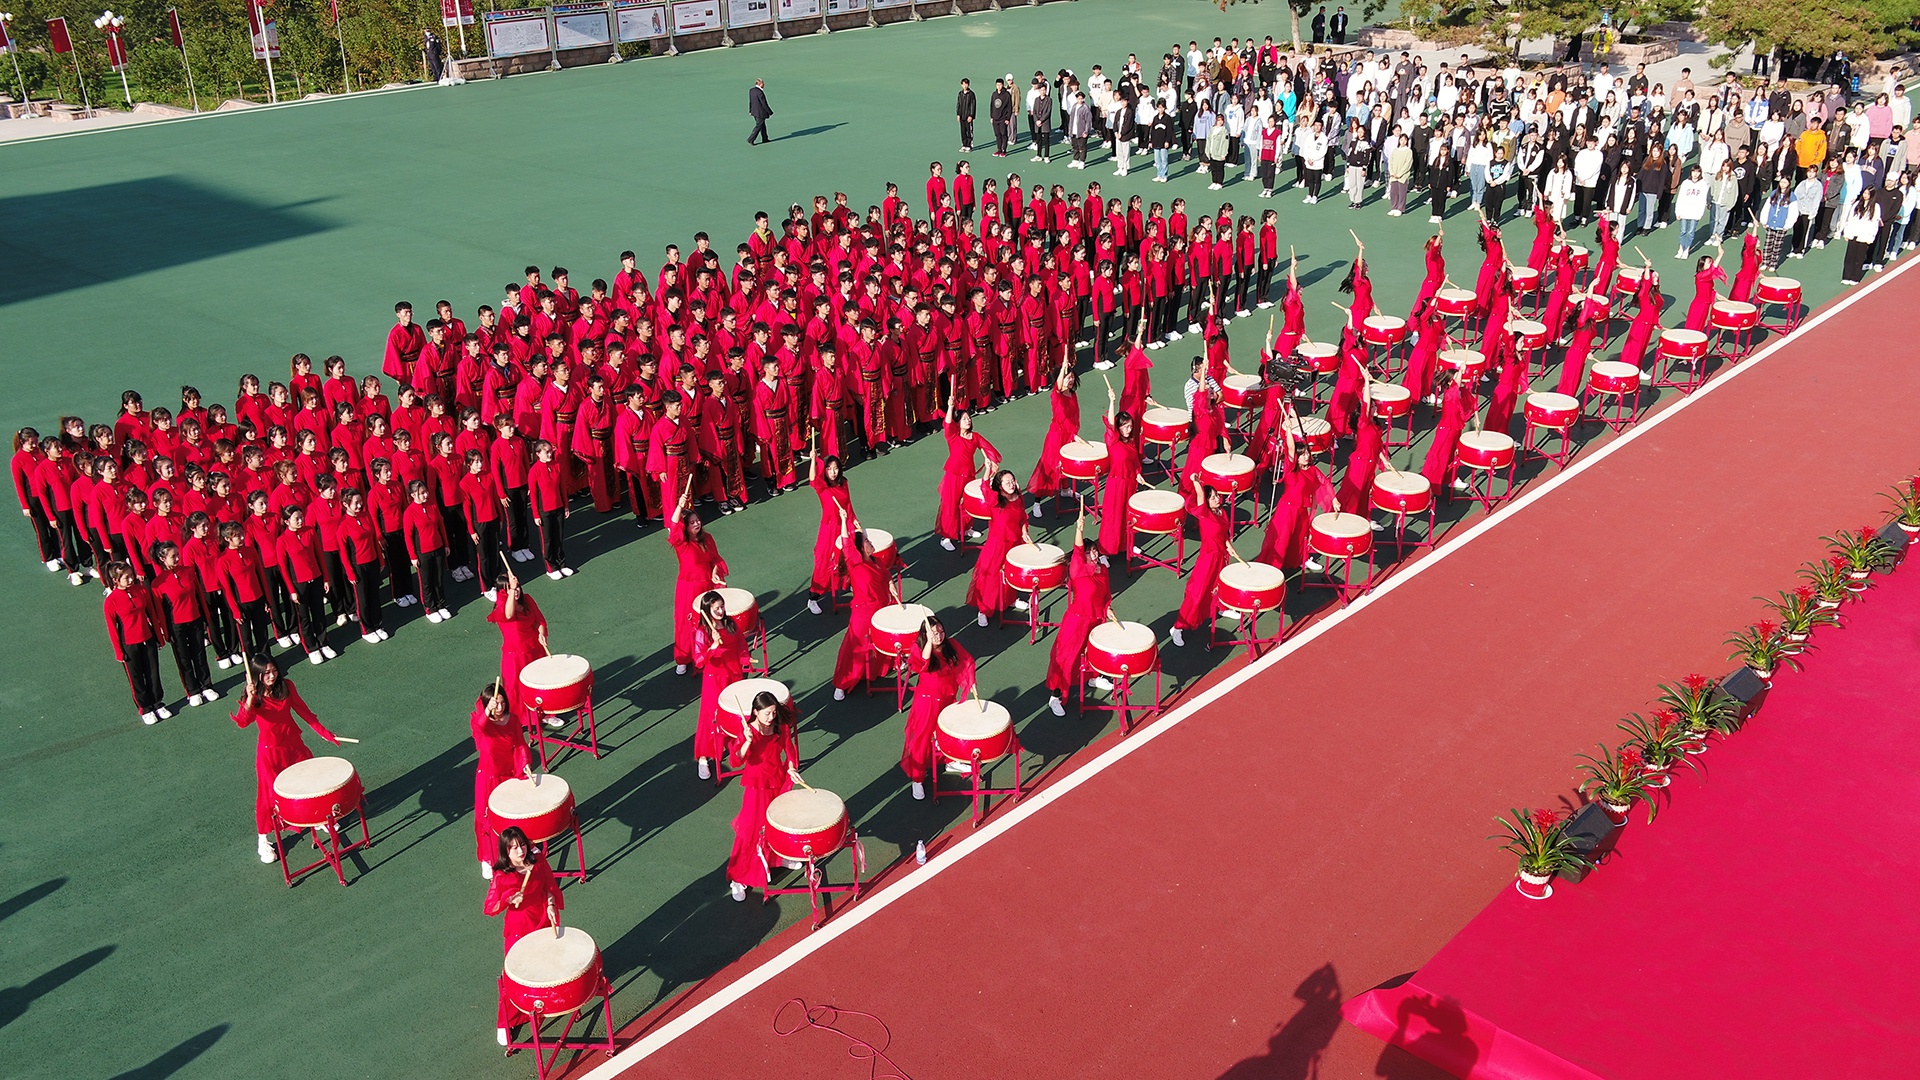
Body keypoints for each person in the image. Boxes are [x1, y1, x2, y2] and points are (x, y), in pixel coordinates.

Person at [233, 656, 339, 863]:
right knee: (268, 796)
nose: (272, 676)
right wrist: (249, 700)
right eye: (266, 673)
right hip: (270, 753)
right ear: (257, 676)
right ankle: (263, 839)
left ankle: (316, 818)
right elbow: (243, 722)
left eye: (274, 670)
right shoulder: (253, 696)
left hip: (293, 745)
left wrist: (325, 733)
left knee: (309, 781)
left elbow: (304, 712)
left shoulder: (287, 686)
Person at [483, 825, 563, 1046]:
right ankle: (506, 1021)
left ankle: (544, 1005)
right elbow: (490, 907)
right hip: (519, 928)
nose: (520, 851)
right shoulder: (502, 875)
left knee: (546, 966)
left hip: (543, 919)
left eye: (522, 845)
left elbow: (548, 886)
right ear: (506, 852)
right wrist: (508, 899)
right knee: (516, 976)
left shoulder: (538, 861)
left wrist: (550, 904)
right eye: (514, 848)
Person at [725, 690, 802, 902]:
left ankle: (777, 858)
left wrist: (791, 769)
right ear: (755, 712)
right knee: (751, 831)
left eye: (774, 712)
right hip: (756, 788)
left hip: (777, 782)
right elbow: (735, 761)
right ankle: (738, 878)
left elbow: (790, 752)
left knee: (776, 824)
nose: (771, 717)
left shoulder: (780, 727)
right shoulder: (747, 732)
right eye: (767, 713)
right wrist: (747, 742)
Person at [1045, 511, 1114, 716]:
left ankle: (1093, 677)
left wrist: (1108, 608)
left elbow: (1106, 595)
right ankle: (1056, 696)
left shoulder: (1103, 570)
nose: (1094, 554)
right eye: (1090, 552)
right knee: (1067, 657)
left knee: (1093, 651)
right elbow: (1077, 549)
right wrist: (1079, 529)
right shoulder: (1078, 569)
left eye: (1095, 551)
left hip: (1097, 619)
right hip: (1077, 620)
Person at [901, 615, 975, 801]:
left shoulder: (951, 645)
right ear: (925, 634)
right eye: (934, 633)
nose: (939, 636)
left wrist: (971, 681)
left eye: (941, 631)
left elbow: (967, 661)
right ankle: (917, 778)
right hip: (927, 703)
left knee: (948, 731)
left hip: (948, 699)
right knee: (922, 738)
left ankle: (951, 760)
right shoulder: (919, 649)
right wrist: (928, 641)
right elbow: (921, 664)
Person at [830, 510, 897, 701]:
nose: (870, 542)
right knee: (855, 647)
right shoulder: (855, 563)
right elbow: (846, 543)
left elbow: (886, 574)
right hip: (864, 612)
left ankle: (879, 668)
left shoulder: (876, 561)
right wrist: (844, 520)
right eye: (867, 541)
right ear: (860, 548)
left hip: (882, 607)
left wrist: (891, 584)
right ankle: (842, 683)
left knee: (882, 639)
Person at [469, 683, 530, 878]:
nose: (500, 707)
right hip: (488, 778)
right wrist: (488, 710)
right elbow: (481, 725)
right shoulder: (480, 722)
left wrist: (525, 763)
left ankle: (519, 849)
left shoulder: (513, 720)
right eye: (496, 704)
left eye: (503, 703)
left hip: (509, 774)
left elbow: (520, 744)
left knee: (513, 814)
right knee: (486, 818)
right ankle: (488, 858)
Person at [934, 385, 1001, 551]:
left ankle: (967, 528)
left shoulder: (975, 436)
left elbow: (986, 448)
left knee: (967, 502)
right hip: (954, 475)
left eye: (969, 418)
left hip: (969, 474)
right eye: (964, 419)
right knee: (950, 504)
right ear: (958, 423)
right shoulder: (953, 436)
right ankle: (946, 537)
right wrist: (950, 407)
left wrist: (991, 461)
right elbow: (947, 424)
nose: (968, 420)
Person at [666, 493, 727, 675]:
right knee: (685, 624)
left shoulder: (707, 538)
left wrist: (715, 572)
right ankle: (683, 658)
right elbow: (673, 525)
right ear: (685, 526)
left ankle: (708, 653)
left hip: (707, 586)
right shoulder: (681, 542)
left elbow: (715, 560)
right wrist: (680, 505)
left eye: (697, 520)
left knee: (709, 622)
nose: (696, 524)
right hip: (688, 588)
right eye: (692, 522)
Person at [691, 588, 749, 780]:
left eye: (722, 607)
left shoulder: (730, 623)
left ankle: (736, 749)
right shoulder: (702, 632)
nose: (721, 611)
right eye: (716, 608)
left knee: (735, 713)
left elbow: (741, 644)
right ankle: (704, 758)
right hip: (714, 679)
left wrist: (745, 658)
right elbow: (699, 661)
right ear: (707, 611)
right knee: (711, 717)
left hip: (734, 675)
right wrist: (713, 647)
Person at [1169, 474, 1231, 648]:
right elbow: (1200, 496)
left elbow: (1223, 534)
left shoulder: (1222, 512)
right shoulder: (1204, 514)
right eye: (1212, 497)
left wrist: (1228, 546)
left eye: (1217, 495)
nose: (1217, 499)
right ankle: (1177, 627)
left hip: (1221, 556)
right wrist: (1196, 482)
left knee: (1218, 586)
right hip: (1208, 558)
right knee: (1197, 593)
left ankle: (1222, 608)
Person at [104, 560, 169, 724]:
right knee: (137, 678)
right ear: (115, 580)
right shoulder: (111, 601)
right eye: (126, 577)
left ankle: (157, 703)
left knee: (153, 673)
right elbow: (112, 629)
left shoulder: (141, 590)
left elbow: (152, 614)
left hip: (148, 640)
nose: (131, 579)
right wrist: (119, 652)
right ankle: (145, 708)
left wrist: (159, 638)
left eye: (131, 575)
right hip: (129, 645)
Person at [967, 469, 1031, 627]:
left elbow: (1022, 518)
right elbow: (984, 487)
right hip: (997, 545)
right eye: (1007, 482)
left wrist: (1024, 532)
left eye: (1013, 480)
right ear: (1000, 485)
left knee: (1011, 573)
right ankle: (984, 610)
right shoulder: (995, 499)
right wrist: (988, 470)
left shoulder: (1018, 497)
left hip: (1015, 543)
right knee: (991, 578)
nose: (1011, 484)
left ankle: (1010, 600)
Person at [487, 569, 549, 719]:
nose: (516, 591)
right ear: (503, 592)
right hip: (515, 656)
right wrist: (512, 589)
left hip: (535, 649)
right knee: (516, 688)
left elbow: (539, 621)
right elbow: (508, 615)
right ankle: (522, 719)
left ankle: (545, 713)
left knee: (539, 680)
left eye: (517, 587)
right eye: (510, 589)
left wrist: (541, 632)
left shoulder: (527, 600)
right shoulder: (501, 608)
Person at [807, 452, 853, 614]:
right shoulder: (822, 486)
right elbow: (812, 478)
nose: (833, 472)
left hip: (844, 524)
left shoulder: (844, 483)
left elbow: (848, 504)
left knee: (847, 556)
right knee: (823, 561)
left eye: (835, 468)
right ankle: (813, 597)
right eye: (829, 469)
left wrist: (854, 521)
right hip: (828, 529)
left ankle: (848, 583)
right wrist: (813, 460)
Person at [747, 78, 774, 146]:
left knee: (762, 125)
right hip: (760, 113)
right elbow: (764, 103)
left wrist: (750, 110)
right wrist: (770, 112)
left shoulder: (751, 90)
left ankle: (765, 138)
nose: (764, 84)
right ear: (759, 84)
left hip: (754, 112)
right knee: (759, 126)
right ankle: (751, 139)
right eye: (763, 83)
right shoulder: (760, 92)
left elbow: (751, 101)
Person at [956, 77, 977, 153]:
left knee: (969, 131)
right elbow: (958, 104)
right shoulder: (960, 94)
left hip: (968, 116)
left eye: (966, 84)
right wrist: (958, 114)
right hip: (962, 116)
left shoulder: (971, 94)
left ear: (968, 84)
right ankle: (964, 145)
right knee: (963, 131)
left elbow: (973, 105)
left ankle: (969, 145)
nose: (965, 86)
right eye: (963, 84)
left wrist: (971, 115)